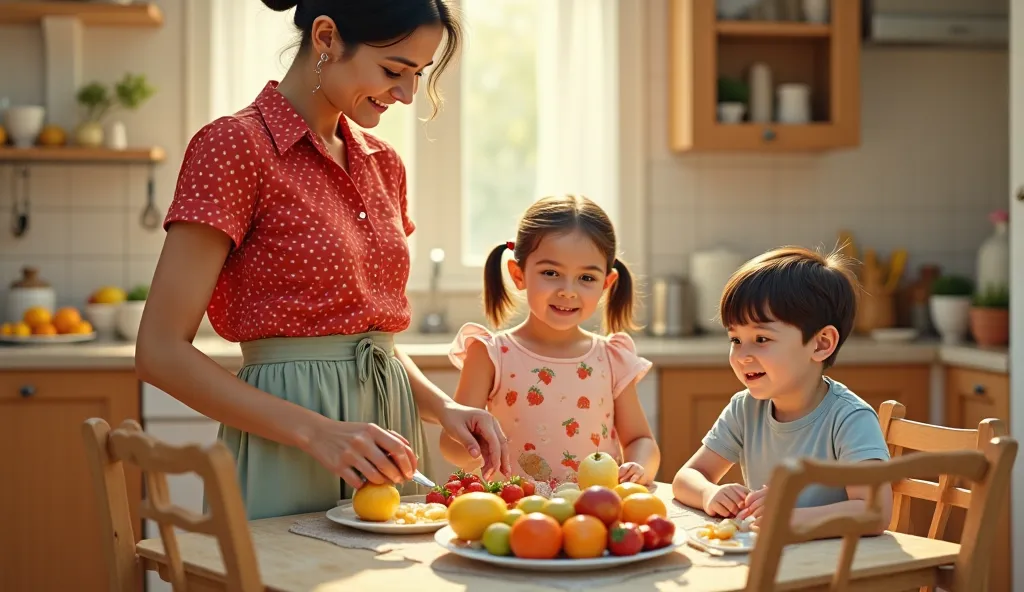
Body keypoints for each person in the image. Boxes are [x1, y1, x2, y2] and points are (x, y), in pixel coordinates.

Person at [135, 0, 509, 521]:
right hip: (287, 446)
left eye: (418, 75)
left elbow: (367, 337)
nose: (406, 95)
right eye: (393, 70)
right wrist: (317, 432)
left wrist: (443, 407)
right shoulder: (235, 146)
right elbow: (158, 352)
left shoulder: (385, 165)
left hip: (388, 439)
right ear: (327, 37)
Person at [440, 195, 660, 491]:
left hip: (591, 515)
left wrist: (638, 467)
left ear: (606, 284)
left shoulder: (613, 357)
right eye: (551, 273)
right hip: (514, 516)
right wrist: (473, 442)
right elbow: (451, 445)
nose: (568, 291)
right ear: (519, 275)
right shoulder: (491, 354)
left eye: (586, 277)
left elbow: (640, 441)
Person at [671, 246, 893, 533]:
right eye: (736, 339)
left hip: (834, 569)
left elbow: (874, 511)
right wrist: (709, 494)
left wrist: (790, 514)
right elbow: (687, 476)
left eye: (761, 338)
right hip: (773, 563)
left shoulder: (850, 418)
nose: (742, 356)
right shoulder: (745, 408)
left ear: (821, 343)